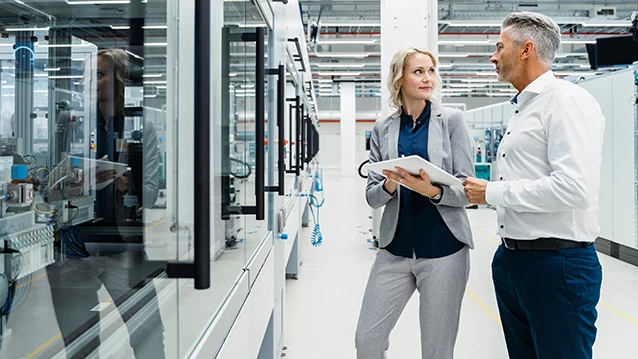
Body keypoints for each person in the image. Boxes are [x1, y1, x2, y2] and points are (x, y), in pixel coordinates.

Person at [462, 12, 605, 359]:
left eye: (499, 47)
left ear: (526, 49)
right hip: (513, 261)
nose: (493, 56)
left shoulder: (566, 102)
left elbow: (574, 187)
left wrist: (491, 192)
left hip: (558, 265)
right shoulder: (524, 107)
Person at [355, 47, 475, 359]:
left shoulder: (451, 121)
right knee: (367, 341)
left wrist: (432, 191)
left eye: (431, 71)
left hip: (444, 250)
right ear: (400, 78)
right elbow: (371, 196)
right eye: (418, 71)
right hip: (394, 250)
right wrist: (390, 183)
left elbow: (467, 190)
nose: (427, 78)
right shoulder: (383, 127)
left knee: (436, 351)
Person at [46, 48, 165, 359]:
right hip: (72, 249)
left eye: (98, 75)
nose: (88, 81)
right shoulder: (70, 122)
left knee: (149, 335)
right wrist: (70, 184)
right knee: (81, 348)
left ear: (120, 81)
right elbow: (49, 187)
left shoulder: (142, 129)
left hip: (122, 248)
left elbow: (150, 194)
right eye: (86, 74)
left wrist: (123, 182)